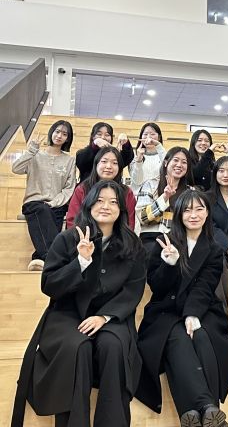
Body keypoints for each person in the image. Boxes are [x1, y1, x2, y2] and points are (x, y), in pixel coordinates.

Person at [11, 180, 146, 427]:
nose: (105, 206)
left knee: (113, 345)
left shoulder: (132, 244)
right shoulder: (67, 238)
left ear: (121, 209)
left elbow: (133, 289)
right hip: (67, 314)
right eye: (100, 200)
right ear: (89, 204)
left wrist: (104, 317)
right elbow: (49, 284)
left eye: (113, 202)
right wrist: (81, 262)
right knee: (77, 347)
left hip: (111, 316)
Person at [136, 190, 228, 427]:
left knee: (202, 337)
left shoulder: (214, 249)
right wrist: (169, 264)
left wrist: (192, 314)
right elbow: (157, 286)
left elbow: (205, 286)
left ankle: (191, 414)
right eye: (187, 210)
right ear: (179, 214)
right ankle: (209, 408)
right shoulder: (164, 242)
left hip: (202, 309)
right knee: (178, 337)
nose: (194, 215)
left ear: (207, 213)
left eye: (199, 209)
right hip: (166, 311)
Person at [12, 120, 76, 272]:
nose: (59, 136)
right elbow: (16, 168)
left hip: (56, 205)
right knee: (42, 210)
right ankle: (55, 260)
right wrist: (31, 150)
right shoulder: (36, 155)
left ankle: (39, 259)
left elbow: (69, 188)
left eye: (64, 134)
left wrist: (54, 203)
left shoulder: (69, 160)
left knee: (51, 215)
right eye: (57, 131)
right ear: (51, 132)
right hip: (33, 203)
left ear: (68, 138)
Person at [136, 146, 193, 251]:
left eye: (184, 162)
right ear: (166, 163)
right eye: (175, 160)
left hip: (179, 238)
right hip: (150, 238)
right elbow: (142, 217)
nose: (179, 165)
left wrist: (160, 216)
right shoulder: (150, 185)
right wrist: (165, 198)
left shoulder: (190, 192)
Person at [66, 147, 136, 229]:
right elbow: (72, 219)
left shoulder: (126, 192)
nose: (109, 166)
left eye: (114, 163)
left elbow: (130, 222)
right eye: (104, 161)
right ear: (96, 164)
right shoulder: (83, 189)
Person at [129, 122, 165, 197]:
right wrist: (139, 160)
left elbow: (168, 167)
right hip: (138, 198)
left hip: (157, 198)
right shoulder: (135, 156)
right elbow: (137, 181)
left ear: (159, 137)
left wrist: (158, 145)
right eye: (145, 134)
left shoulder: (163, 154)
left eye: (152, 134)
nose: (148, 137)